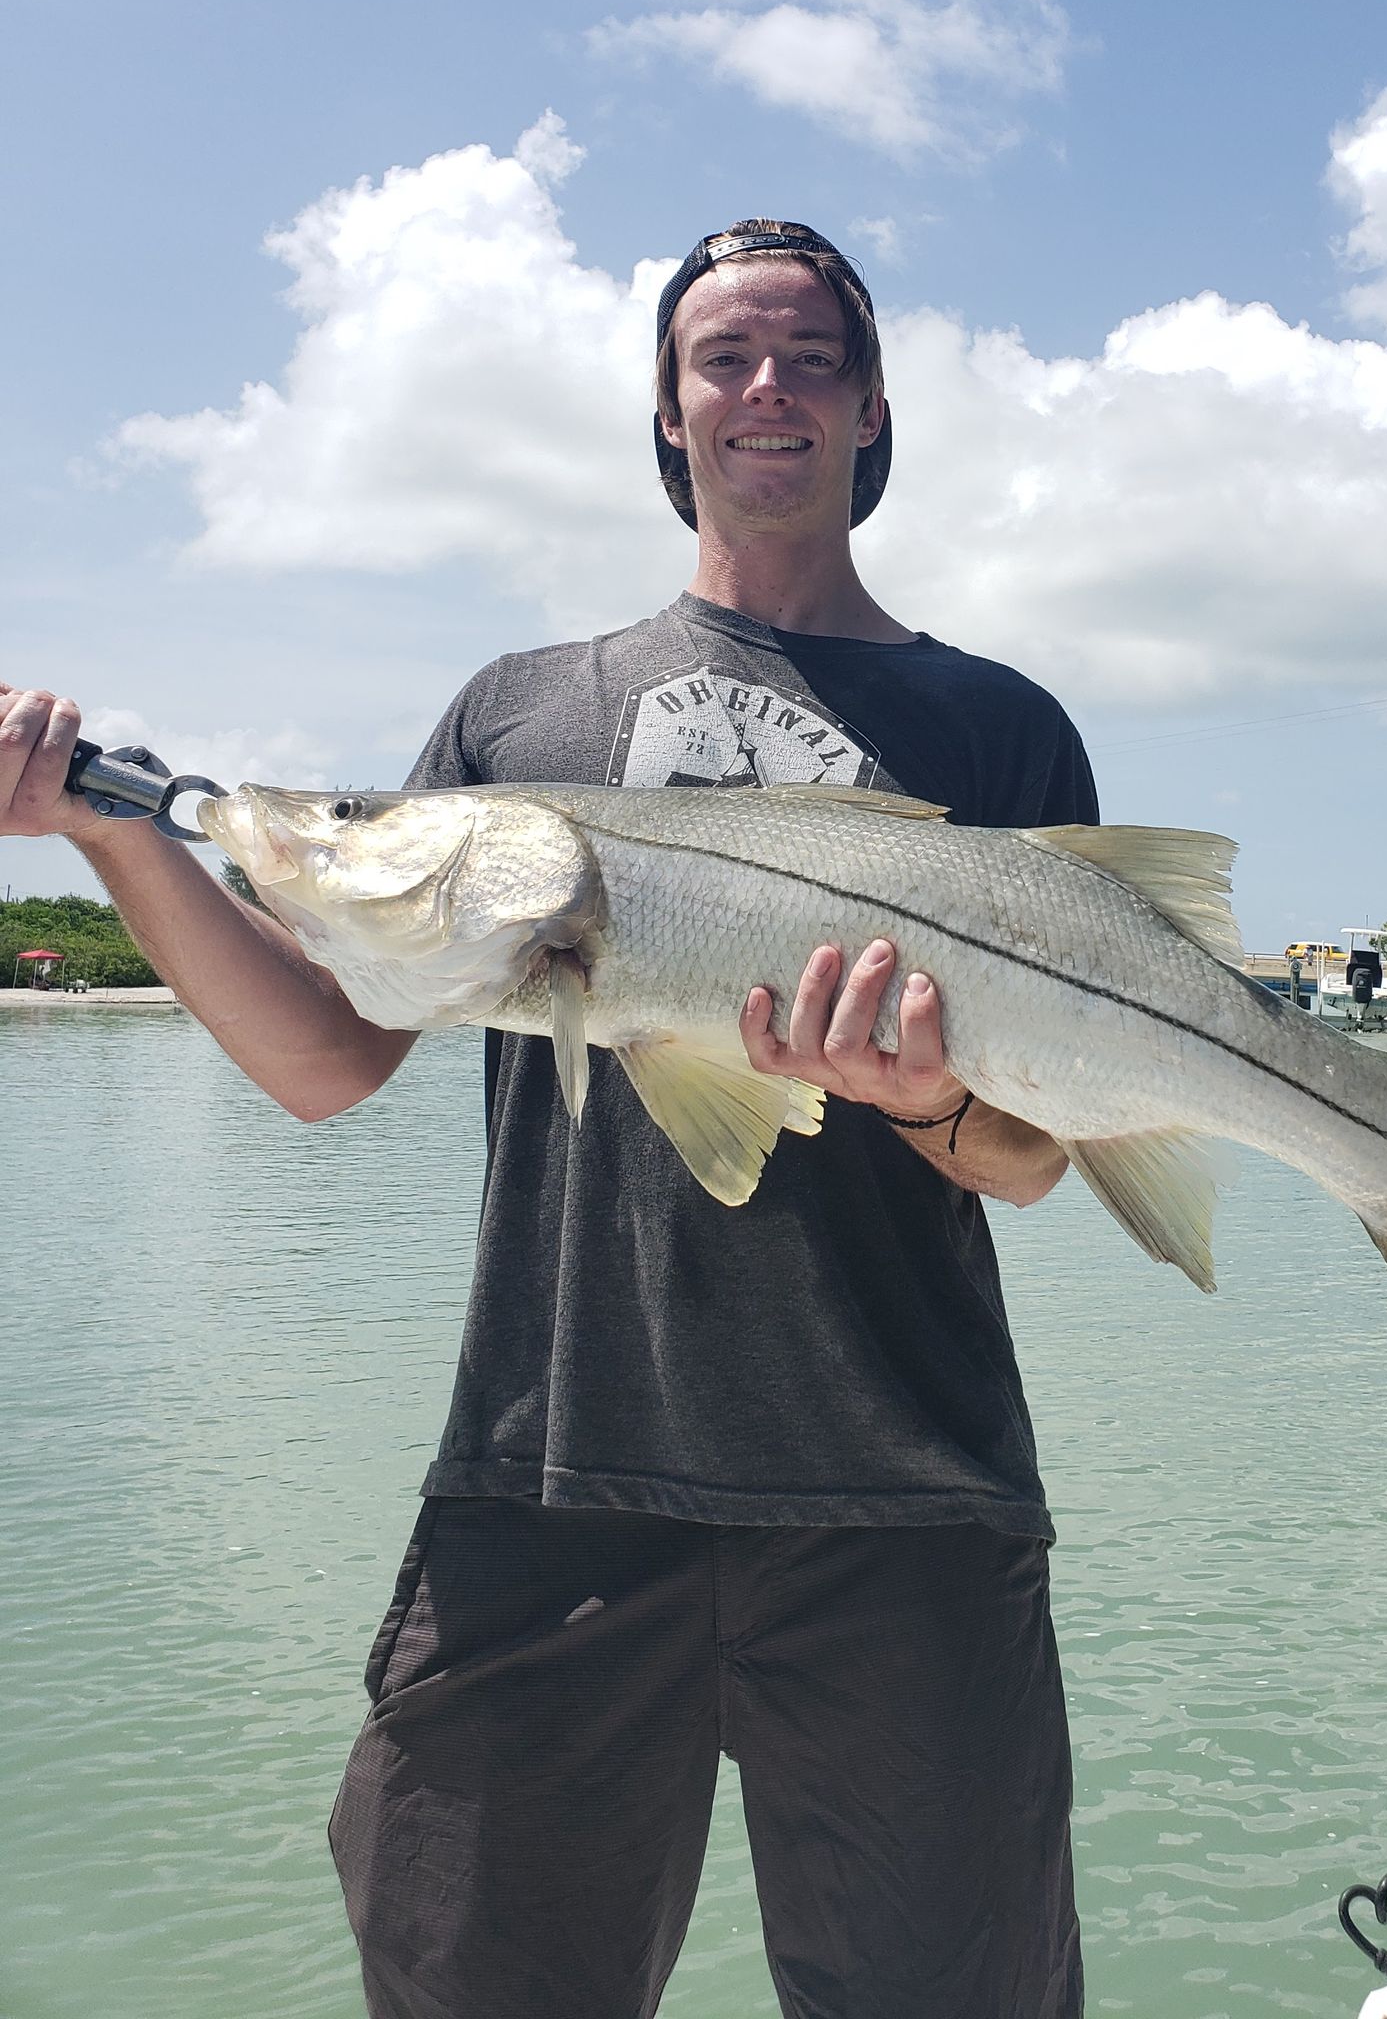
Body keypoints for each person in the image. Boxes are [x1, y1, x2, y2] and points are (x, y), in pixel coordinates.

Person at [0, 217, 1092, 2019]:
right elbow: (331, 1056)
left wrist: (929, 1101)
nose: (765, 390)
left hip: (912, 1500)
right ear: (668, 417)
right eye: (722, 360)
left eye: (809, 356)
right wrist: (125, 836)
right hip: (551, 1482)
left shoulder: (998, 730)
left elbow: (1031, 1161)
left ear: (874, 406)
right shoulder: (520, 716)